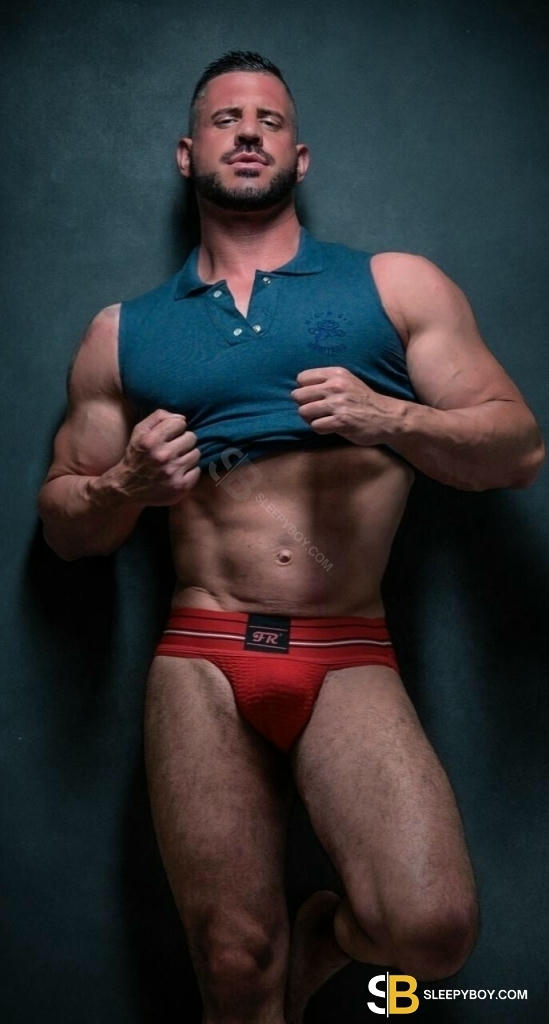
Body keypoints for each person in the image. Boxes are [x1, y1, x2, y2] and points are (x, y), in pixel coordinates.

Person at [38, 50, 544, 1024]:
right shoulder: (125, 332)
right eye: (225, 119)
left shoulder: (392, 287)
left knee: (432, 930)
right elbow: (66, 529)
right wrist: (123, 486)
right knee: (235, 966)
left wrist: (389, 417)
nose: (246, 132)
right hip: (204, 652)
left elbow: (516, 447)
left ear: (299, 156)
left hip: (345, 646)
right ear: (187, 152)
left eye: (268, 120)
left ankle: (332, 939)